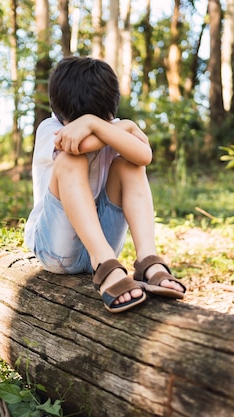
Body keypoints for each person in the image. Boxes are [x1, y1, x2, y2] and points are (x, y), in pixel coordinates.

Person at [24, 56, 186, 313]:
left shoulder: (109, 126)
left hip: (103, 242)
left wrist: (96, 124)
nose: (88, 127)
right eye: (80, 122)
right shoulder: (49, 128)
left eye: (101, 120)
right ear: (59, 113)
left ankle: (147, 262)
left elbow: (144, 156)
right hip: (55, 250)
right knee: (70, 160)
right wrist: (124, 128)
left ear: (109, 113)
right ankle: (104, 265)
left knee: (129, 165)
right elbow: (78, 145)